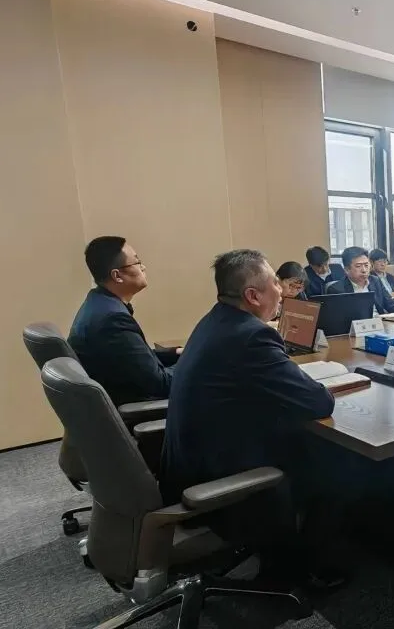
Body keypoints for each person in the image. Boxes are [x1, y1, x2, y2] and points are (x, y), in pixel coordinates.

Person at [159, 249, 342, 587]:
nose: (281, 290)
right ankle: (305, 568)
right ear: (253, 296)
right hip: (217, 481)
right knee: (333, 457)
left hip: (186, 464)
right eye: (275, 282)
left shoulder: (216, 320)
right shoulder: (252, 336)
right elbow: (319, 402)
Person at [67, 236, 177, 406]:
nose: (143, 267)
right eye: (137, 262)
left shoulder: (99, 304)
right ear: (117, 275)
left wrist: (176, 353)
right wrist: (198, 363)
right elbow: (162, 384)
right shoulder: (112, 320)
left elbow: (135, 360)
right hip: (138, 409)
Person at [326, 246, 394, 314]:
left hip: (380, 322)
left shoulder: (375, 281)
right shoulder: (336, 290)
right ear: (347, 270)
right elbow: (339, 319)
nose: (364, 270)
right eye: (358, 266)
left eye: (366, 265)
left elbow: (391, 305)